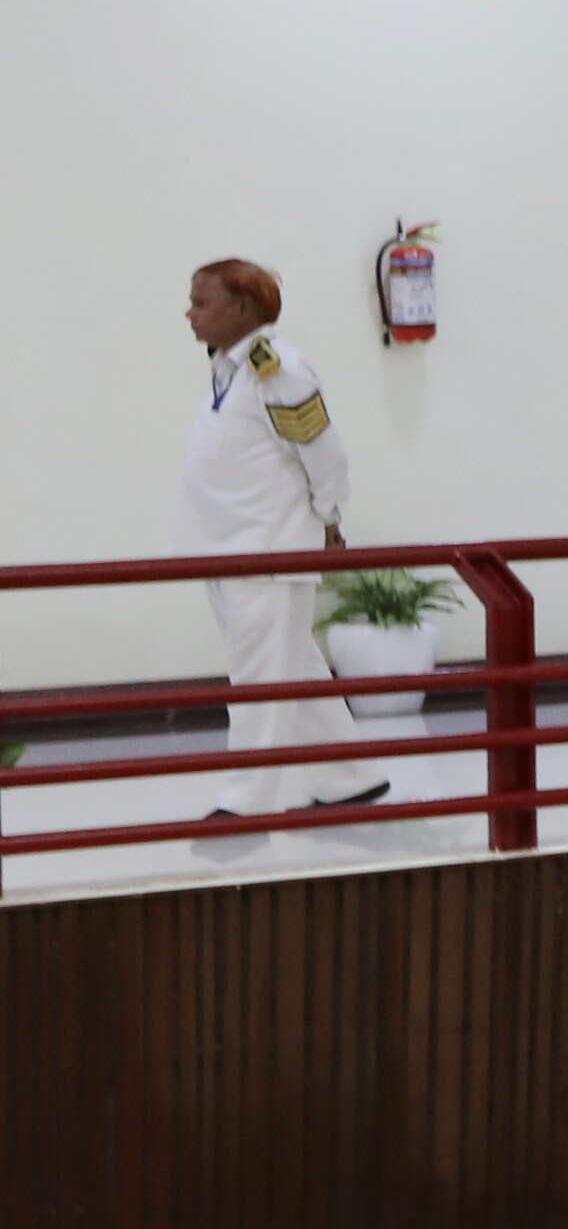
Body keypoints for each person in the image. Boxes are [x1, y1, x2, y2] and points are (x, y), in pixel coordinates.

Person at [178, 260, 387, 831]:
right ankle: (349, 776)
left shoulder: (279, 370)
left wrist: (329, 517)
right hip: (230, 548)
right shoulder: (231, 370)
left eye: (201, 302)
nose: (189, 313)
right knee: (292, 667)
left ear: (243, 309)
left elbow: (323, 453)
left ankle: (250, 798)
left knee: (259, 680)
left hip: (266, 552)